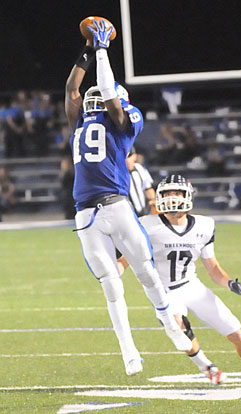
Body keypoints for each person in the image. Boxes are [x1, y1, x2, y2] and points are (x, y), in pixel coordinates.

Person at [64, 19, 192, 376]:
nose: (92, 100)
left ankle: (170, 324)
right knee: (111, 284)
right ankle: (128, 351)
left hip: (117, 206)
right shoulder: (80, 121)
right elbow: (72, 89)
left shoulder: (120, 121)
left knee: (146, 273)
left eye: (101, 98)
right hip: (86, 215)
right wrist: (88, 52)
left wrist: (103, 51)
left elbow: (106, 95)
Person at [118, 174, 241, 385]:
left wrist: (229, 282)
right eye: (167, 193)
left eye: (176, 193)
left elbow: (212, 267)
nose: (172, 198)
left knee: (235, 333)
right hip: (164, 291)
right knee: (178, 325)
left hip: (192, 286)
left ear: (187, 195)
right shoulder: (146, 225)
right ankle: (207, 367)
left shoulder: (204, 226)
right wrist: (112, 275)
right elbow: (125, 260)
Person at [126, 146, 156, 217]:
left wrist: (153, 201)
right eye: (125, 157)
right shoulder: (118, 173)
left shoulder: (140, 168)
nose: (127, 160)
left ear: (135, 156)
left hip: (144, 211)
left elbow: (148, 187)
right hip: (128, 214)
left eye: (130, 156)